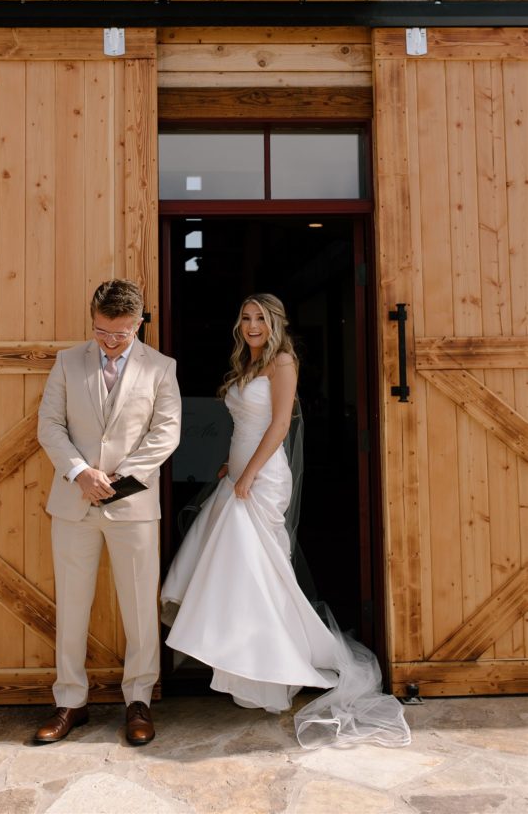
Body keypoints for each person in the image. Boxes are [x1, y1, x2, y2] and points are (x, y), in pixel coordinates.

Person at [161, 293, 410, 749]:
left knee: (257, 570)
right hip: (238, 472)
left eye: (260, 318)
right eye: (246, 317)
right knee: (241, 575)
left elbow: (278, 425)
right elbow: (242, 425)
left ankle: (273, 667)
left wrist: (251, 473)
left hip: (264, 476)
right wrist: (229, 467)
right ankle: (246, 662)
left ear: (275, 323)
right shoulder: (246, 365)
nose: (252, 324)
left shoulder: (282, 361)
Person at [36, 279, 181, 746]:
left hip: (133, 506)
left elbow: (165, 434)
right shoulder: (66, 361)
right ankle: (70, 702)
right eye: (101, 331)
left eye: (119, 333)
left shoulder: (161, 368)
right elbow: (50, 425)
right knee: (73, 606)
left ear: (137, 324)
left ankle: (138, 700)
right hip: (73, 501)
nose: (109, 341)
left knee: (140, 608)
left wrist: (114, 483)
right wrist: (81, 472)